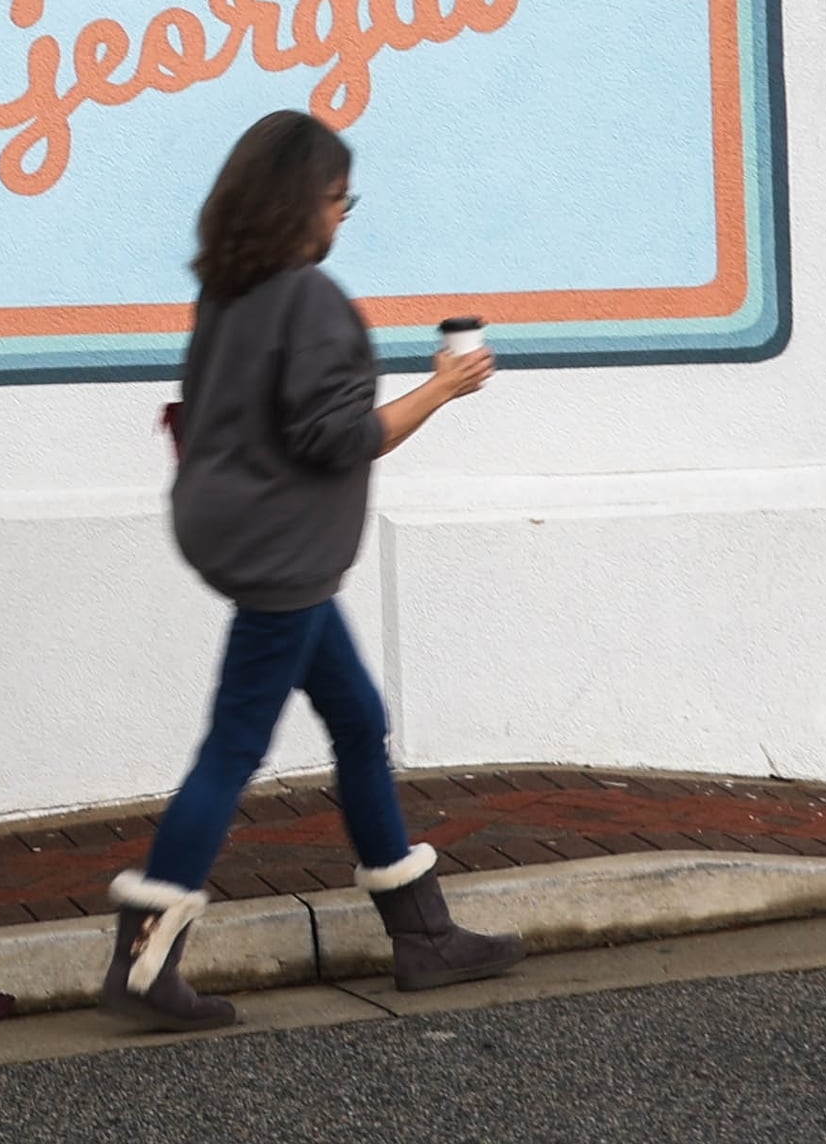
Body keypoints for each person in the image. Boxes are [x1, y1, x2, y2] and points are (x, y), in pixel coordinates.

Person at [100, 110, 517, 1030]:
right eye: (339, 199)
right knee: (234, 746)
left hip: (240, 530)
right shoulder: (309, 298)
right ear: (304, 203)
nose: (343, 216)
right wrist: (442, 390)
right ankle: (141, 958)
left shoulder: (228, 287)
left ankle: (422, 934)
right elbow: (339, 439)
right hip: (283, 547)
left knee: (358, 719)